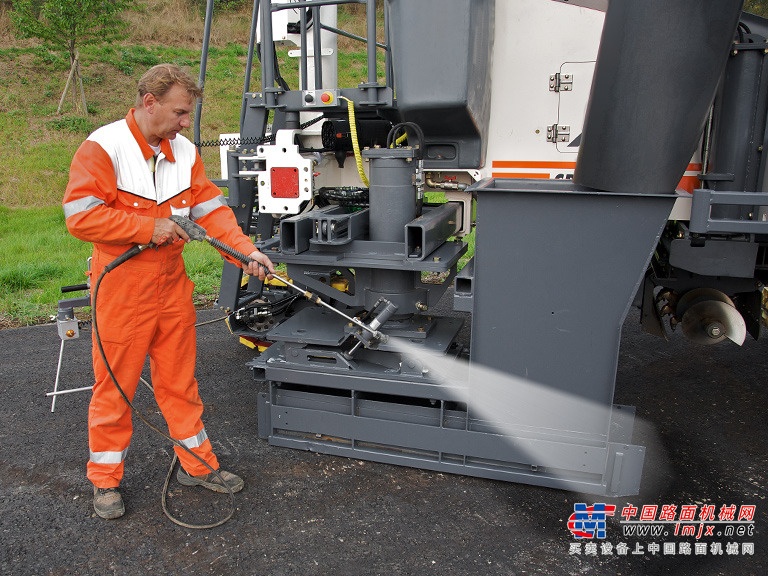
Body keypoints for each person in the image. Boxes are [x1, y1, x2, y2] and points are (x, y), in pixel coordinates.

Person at [62, 63, 275, 520]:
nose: (185, 123)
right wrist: (149, 226)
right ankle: (105, 480)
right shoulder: (104, 147)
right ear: (149, 102)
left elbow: (212, 213)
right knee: (114, 388)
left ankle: (196, 466)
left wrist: (246, 253)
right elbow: (81, 217)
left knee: (179, 382)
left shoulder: (185, 152)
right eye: (180, 113)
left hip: (171, 287)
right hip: (121, 288)